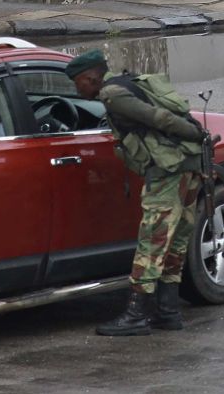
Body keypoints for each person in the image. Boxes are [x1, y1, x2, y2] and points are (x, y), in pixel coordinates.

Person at [66, 49, 204, 335]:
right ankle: (168, 312)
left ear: (90, 77)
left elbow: (158, 118)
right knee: (175, 241)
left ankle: (136, 315)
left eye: (77, 82)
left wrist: (195, 134)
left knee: (152, 242)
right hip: (186, 166)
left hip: (167, 171)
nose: (76, 89)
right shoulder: (128, 83)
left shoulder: (113, 95)